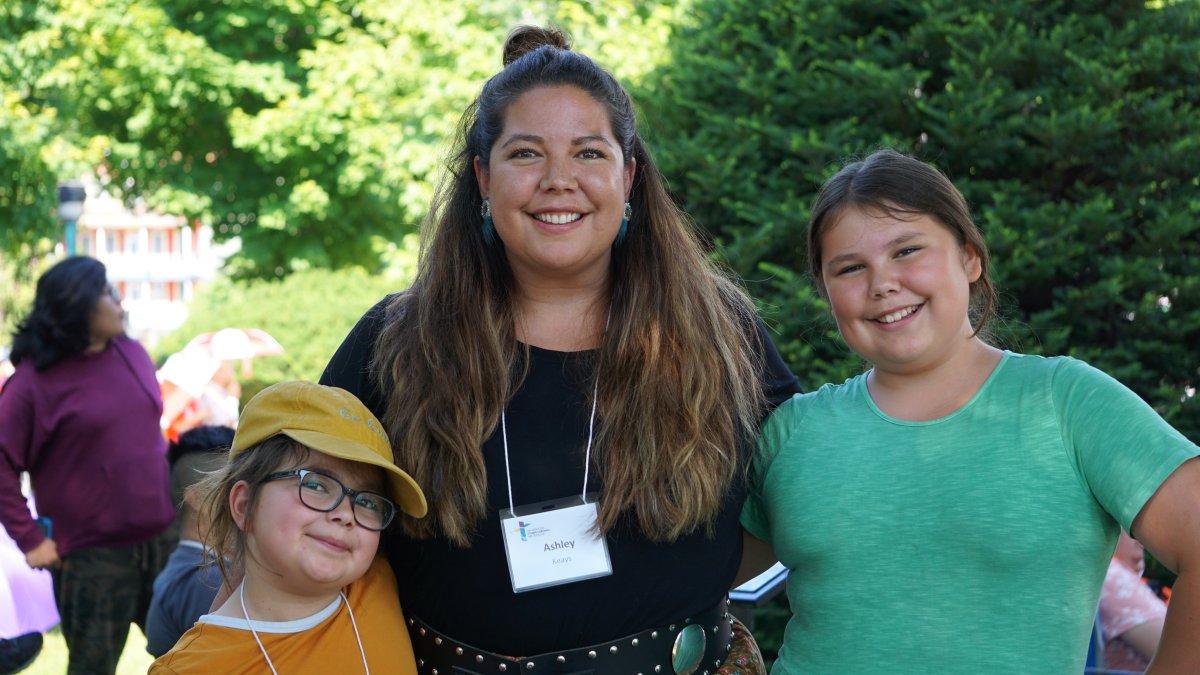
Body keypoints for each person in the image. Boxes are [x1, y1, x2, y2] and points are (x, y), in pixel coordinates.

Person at [321, 25, 800, 675]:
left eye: (588, 153)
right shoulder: (396, 342)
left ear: (629, 177)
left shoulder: (719, 330)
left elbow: (801, 500)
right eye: (525, 154)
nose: (558, 180)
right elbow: (308, 513)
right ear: (483, 180)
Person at [739, 148, 1200, 673]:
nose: (883, 282)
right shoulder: (795, 432)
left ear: (970, 257)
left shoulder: (1067, 403)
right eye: (850, 268)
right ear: (827, 294)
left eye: (907, 250)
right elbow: (681, 578)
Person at [150, 381, 428, 674]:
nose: (346, 514)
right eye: (316, 484)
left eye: (369, 502)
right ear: (244, 506)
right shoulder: (190, 669)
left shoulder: (376, 580)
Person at [0, 256, 175, 674]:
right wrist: (29, 538)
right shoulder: (32, 383)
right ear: (76, 304)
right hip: (92, 559)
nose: (119, 303)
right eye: (106, 292)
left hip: (163, 545)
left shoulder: (131, 352)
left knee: (192, 660)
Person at [145, 425, 236, 658]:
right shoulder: (207, 580)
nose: (246, 496)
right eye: (231, 485)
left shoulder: (196, 571)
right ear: (195, 497)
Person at [1100, 531, 1168, 671]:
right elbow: (1178, 652)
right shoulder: (1112, 574)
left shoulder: (1115, 574)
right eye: (1127, 526)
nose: (1141, 540)